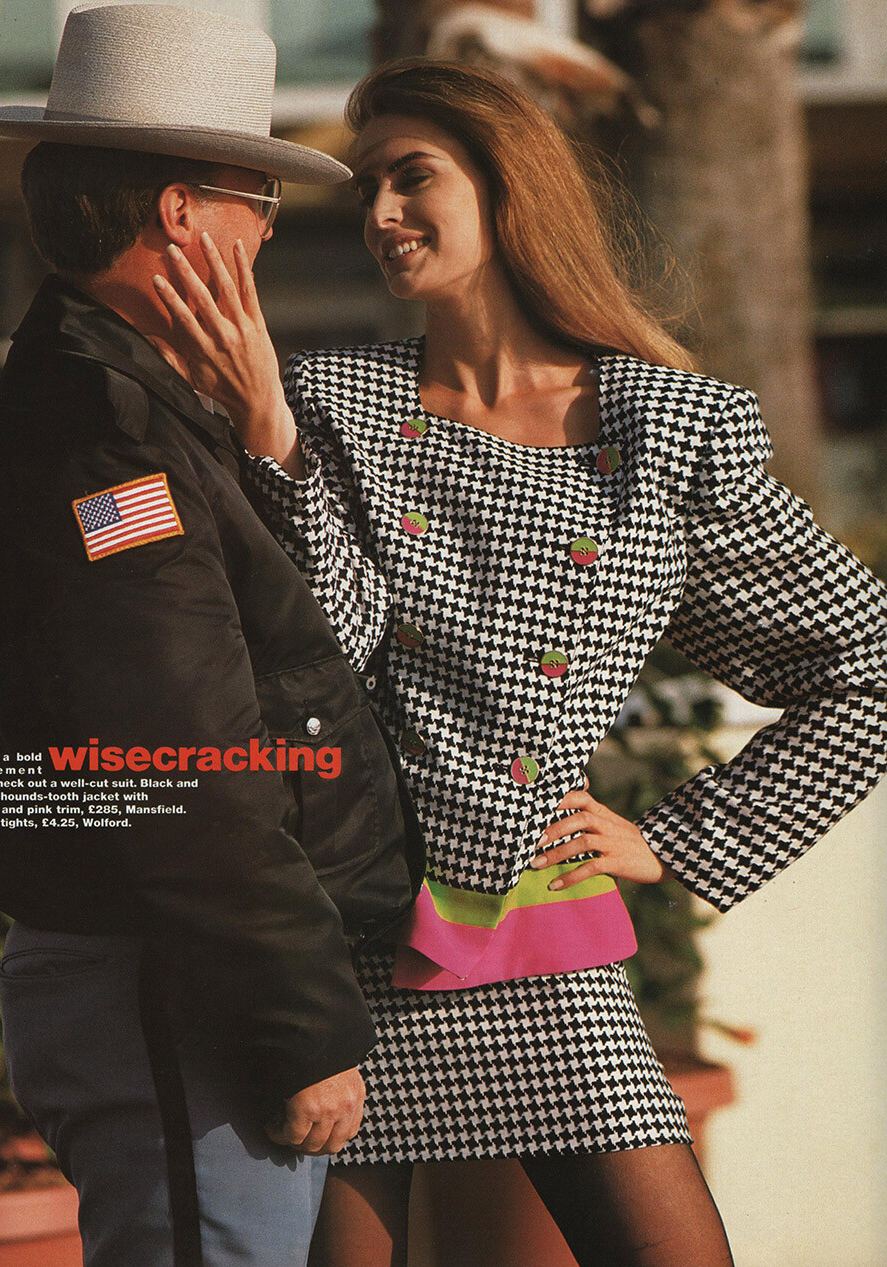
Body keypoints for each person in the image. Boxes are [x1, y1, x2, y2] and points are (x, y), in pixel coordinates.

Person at [149, 58, 887, 1267]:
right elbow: (316, 650)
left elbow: (863, 663)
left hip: (535, 935)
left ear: (508, 187)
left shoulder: (665, 431)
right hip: (348, 926)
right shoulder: (328, 406)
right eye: (368, 187)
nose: (383, 212)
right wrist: (270, 438)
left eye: (412, 176)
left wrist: (679, 839)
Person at [0, 8, 424, 1266]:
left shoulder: (126, 399)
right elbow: (184, 764)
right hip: (177, 993)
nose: (265, 231)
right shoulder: (108, 431)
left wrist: (266, 435)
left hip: (179, 982)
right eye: (255, 201)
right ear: (180, 213)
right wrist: (298, 1024)